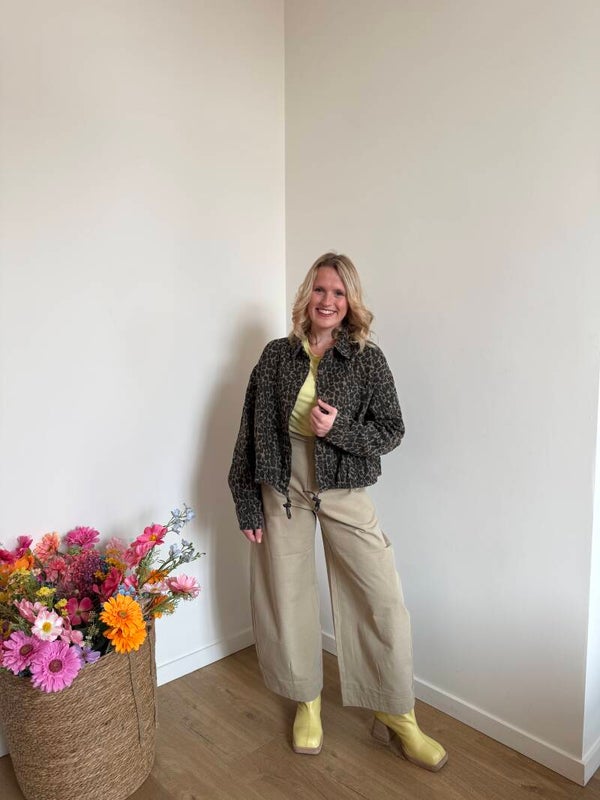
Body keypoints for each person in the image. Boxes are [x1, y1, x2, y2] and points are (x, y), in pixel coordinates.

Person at [228, 252, 447, 771]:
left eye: (339, 293)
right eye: (320, 290)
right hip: (283, 486)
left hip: (344, 486)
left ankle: (397, 712)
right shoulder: (276, 356)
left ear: (351, 302)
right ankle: (307, 699)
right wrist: (246, 501)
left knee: (381, 597)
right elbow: (249, 431)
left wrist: (338, 429)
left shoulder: (368, 359)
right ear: (307, 295)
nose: (327, 301)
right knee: (287, 595)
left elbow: (391, 430)